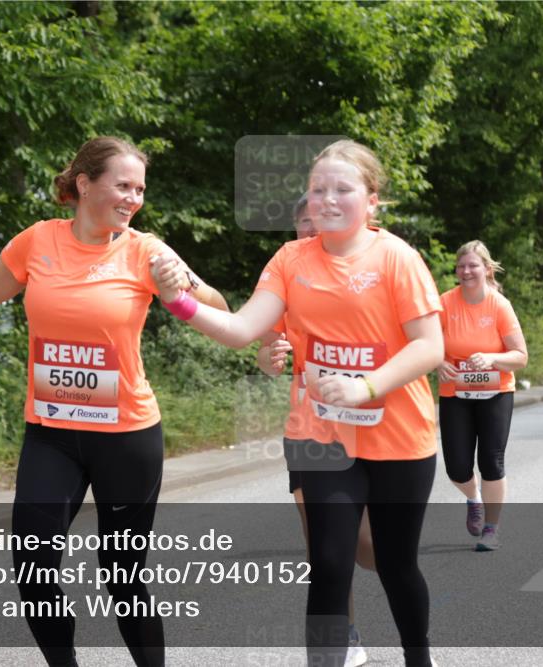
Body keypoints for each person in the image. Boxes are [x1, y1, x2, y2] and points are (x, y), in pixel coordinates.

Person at [0, 136, 228, 667]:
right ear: (85, 184)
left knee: (122, 575)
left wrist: (177, 289)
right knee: (33, 566)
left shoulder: (147, 251)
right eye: (123, 185)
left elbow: (220, 310)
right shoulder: (38, 241)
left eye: (140, 189)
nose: (133, 198)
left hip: (127, 436)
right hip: (53, 433)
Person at [152, 139, 444, 667]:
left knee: (397, 565)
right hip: (323, 435)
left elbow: (430, 346)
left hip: (401, 438)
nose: (326, 200)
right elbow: (243, 328)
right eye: (316, 190)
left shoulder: (397, 258)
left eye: (342, 189)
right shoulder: (291, 259)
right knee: (330, 563)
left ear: (372, 201)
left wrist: (366, 386)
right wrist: (178, 300)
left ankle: (418, 656)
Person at [256, 194, 375, 667]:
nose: (309, 232)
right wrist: (269, 360)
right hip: (308, 431)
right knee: (324, 548)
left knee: (369, 549)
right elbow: (267, 351)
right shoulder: (285, 275)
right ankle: (343, 634)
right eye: (302, 225)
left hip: (369, 428)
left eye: (317, 224)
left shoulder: (367, 271)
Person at [436, 241, 527, 552]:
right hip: (455, 392)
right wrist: (438, 362)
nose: (466, 271)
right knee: (457, 467)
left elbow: (521, 356)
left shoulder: (499, 305)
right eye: (461, 266)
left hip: (495, 392)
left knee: (492, 460)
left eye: (473, 265)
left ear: (487, 269)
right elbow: (426, 343)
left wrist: (492, 359)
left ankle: (492, 528)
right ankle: (473, 498)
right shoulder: (445, 303)